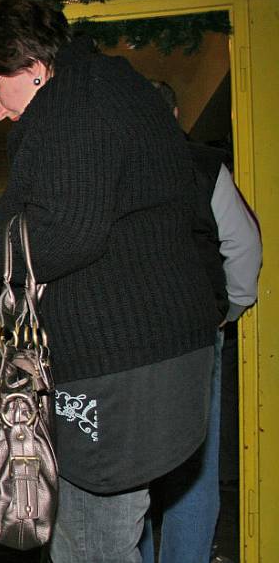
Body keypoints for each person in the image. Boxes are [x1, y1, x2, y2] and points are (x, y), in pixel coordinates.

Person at [0, 0, 221, 562]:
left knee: (89, 546)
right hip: (155, 357)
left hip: (119, 370)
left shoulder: (76, 101)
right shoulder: (110, 90)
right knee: (106, 536)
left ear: (27, 64)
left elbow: (64, 234)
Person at [137, 81, 262, 563]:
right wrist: (227, 309)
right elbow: (243, 244)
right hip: (194, 331)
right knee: (195, 467)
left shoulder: (115, 162)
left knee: (135, 468)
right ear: (175, 111)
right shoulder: (204, 164)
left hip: (132, 338)